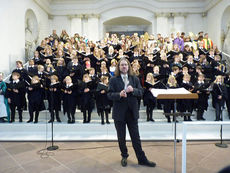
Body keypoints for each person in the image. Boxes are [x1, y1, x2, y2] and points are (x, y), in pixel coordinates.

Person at [107, 58, 156, 167]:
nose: (124, 66)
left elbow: (141, 92)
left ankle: (142, 159)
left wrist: (133, 90)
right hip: (119, 113)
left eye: (126, 65)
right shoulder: (113, 79)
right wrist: (119, 95)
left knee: (136, 137)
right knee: (121, 137)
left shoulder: (134, 79)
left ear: (128, 67)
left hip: (132, 112)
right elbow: (109, 95)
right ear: (118, 67)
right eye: (122, 65)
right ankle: (124, 155)